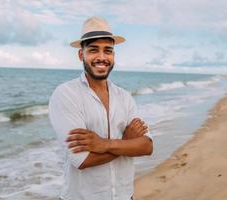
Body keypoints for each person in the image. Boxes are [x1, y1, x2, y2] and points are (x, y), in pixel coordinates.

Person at [49, 16, 153, 200]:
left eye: (108, 51)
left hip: (124, 196)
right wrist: (127, 142)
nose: (102, 57)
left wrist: (105, 144)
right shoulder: (65, 95)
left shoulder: (125, 97)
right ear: (81, 55)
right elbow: (82, 160)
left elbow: (146, 146)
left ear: (113, 55)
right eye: (94, 50)